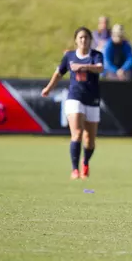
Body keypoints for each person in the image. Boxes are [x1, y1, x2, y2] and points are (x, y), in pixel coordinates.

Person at [41, 27, 104, 179]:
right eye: (81, 37)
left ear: (90, 40)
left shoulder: (96, 55)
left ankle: (86, 162)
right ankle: (74, 169)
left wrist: (82, 67)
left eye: (86, 38)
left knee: (90, 141)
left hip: (92, 99)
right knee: (77, 133)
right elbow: (59, 73)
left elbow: (100, 68)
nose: (83, 40)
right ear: (76, 40)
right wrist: (48, 88)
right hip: (75, 97)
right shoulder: (69, 56)